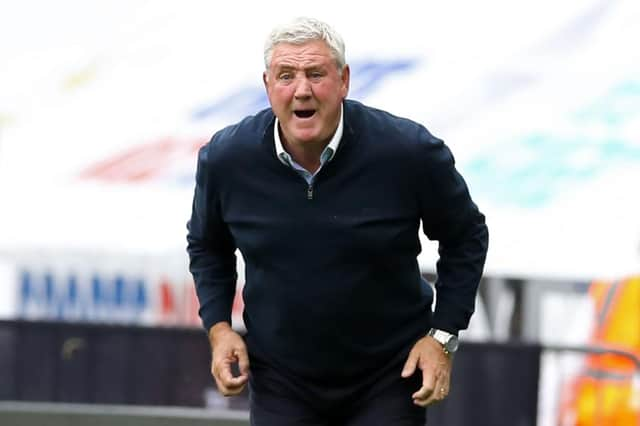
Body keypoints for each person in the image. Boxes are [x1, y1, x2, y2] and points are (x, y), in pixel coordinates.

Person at [187, 17, 489, 426]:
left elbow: (467, 234)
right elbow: (207, 245)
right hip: (281, 379)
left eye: (316, 74)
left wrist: (443, 336)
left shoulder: (408, 152)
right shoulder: (227, 159)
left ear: (344, 81)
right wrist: (219, 328)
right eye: (286, 76)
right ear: (267, 85)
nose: (302, 90)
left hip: (389, 375)